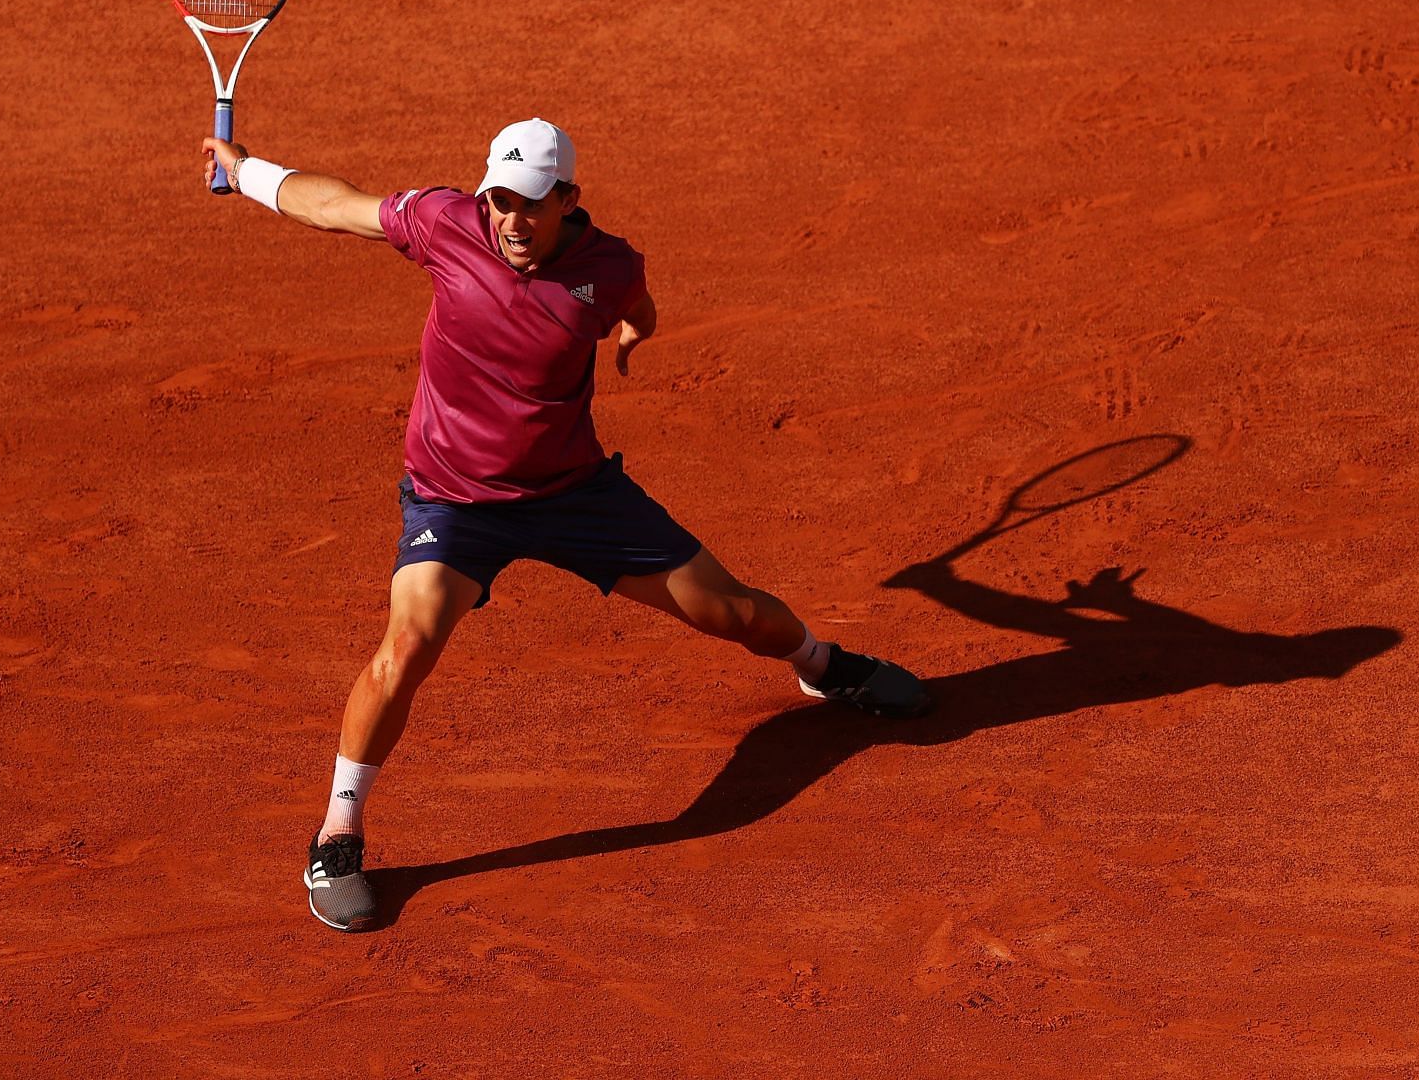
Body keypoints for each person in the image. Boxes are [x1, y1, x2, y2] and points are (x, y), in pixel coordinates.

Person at [199, 118, 930, 931]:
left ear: (569, 202)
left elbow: (638, 306)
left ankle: (820, 665)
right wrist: (252, 171)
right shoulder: (446, 224)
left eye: (531, 204)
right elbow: (335, 204)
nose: (511, 220)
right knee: (407, 643)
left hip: (573, 493)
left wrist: (631, 331)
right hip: (456, 499)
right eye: (500, 200)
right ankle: (338, 832)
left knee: (736, 613)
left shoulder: (608, 265)